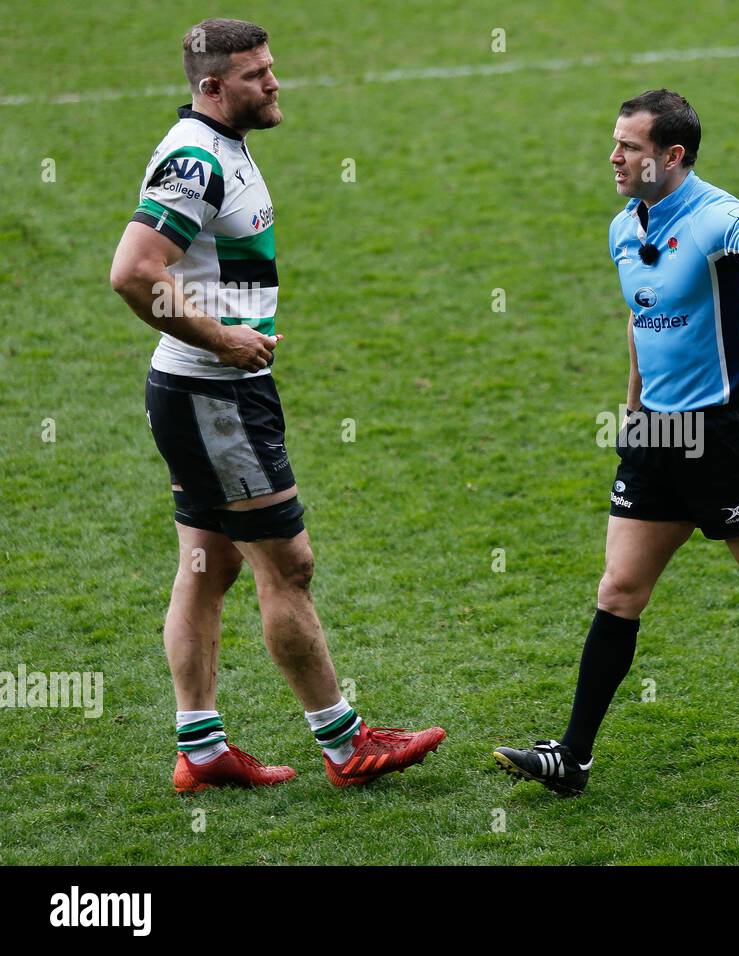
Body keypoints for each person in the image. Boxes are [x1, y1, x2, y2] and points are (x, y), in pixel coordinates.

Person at [493, 89, 739, 794]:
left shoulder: (716, 218)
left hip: (725, 437)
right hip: (655, 436)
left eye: (630, 147)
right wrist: (634, 413)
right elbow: (639, 326)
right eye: (614, 142)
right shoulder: (622, 228)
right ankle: (573, 755)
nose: (614, 156)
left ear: (671, 156)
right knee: (619, 589)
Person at [109, 18, 444, 793]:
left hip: (204, 392)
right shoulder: (196, 159)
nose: (274, 82)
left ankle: (201, 748)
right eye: (257, 74)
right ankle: (344, 742)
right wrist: (222, 338)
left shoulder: (221, 147)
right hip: (215, 396)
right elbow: (133, 271)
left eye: (271, 68)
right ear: (211, 86)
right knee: (287, 564)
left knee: (209, 561)